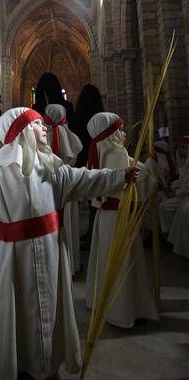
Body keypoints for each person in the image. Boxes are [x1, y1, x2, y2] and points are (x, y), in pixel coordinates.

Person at [0, 107, 140, 379]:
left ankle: (49, 366)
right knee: (20, 315)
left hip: (52, 252)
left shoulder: (52, 168)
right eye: (37, 123)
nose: (44, 127)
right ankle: (23, 368)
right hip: (14, 260)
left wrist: (120, 176)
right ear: (20, 131)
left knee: (52, 312)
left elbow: (87, 179)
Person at [85, 112, 159, 328]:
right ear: (110, 134)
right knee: (124, 262)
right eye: (119, 129)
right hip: (120, 217)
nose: (123, 134)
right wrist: (151, 166)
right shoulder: (116, 155)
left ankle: (105, 304)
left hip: (106, 217)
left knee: (106, 260)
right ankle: (124, 311)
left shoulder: (103, 152)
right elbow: (142, 183)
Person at [44, 103, 83, 274]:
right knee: (68, 225)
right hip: (67, 183)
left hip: (46, 186)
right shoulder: (71, 137)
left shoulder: (41, 135)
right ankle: (71, 265)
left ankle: (51, 266)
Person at [73, 84, 104, 249]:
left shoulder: (80, 116)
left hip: (86, 158)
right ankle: (93, 232)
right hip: (99, 157)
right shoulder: (100, 116)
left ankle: (92, 234)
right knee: (96, 200)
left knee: (92, 199)